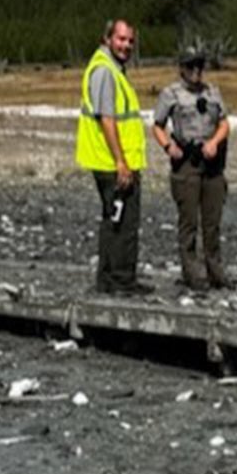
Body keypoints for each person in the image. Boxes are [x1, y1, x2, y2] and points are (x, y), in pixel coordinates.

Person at [76, 18, 149, 295]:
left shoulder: (108, 68)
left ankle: (107, 279)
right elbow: (107, 119)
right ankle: (120, 281)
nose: (126, 45)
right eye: (121, 39)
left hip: (107, 161)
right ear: (107, 39)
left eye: (130, 40)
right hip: (113, 163)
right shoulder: (105, 71)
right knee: (124, 223)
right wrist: (121, 162)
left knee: (112, 219)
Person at [150, 47, 233, 291]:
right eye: (190, 66)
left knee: (212, 220)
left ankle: (215, 270)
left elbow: (224, 123)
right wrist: (168, 146)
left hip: (212, 162)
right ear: (182, 68)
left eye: (199, 66)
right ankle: (192, 272)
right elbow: (157, 125)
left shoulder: (213, 92)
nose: (196, 71)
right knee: (189, 221)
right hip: (187, 160)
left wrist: (215, 142)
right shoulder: (170, 94)